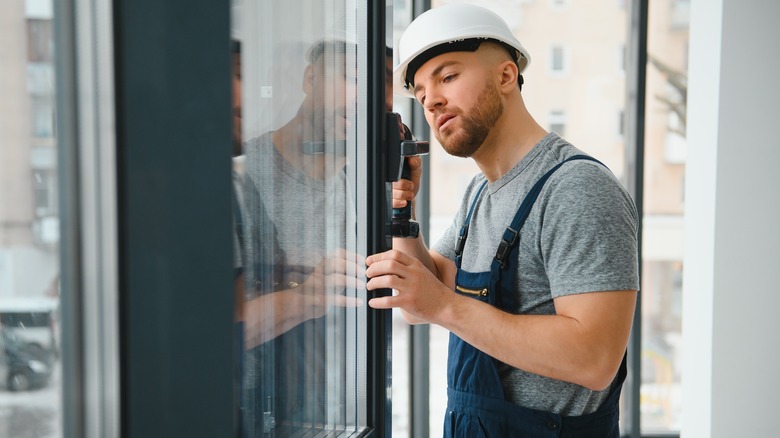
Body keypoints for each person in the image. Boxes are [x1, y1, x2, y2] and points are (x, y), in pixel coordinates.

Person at [365, 4, 639, 437]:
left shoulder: (576, 188)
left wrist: (443, 305)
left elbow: (595, 360)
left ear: (506, 76)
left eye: (448, 76)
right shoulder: (478, 194)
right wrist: (404, 212)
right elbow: (426, 294)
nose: (432, 100)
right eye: (420, 93)